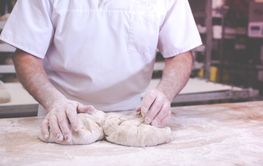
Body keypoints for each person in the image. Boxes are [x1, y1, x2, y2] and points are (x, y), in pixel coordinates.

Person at [0, 0, 202, 143]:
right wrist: (54, 102)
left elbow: (181, 53)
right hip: (63, 116)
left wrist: (164, 93)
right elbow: (27, 54)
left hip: (135, 117)